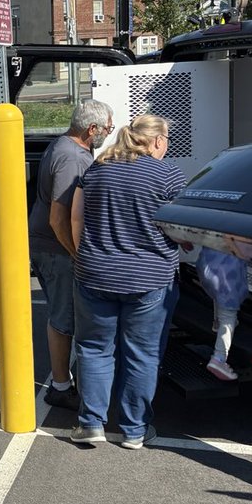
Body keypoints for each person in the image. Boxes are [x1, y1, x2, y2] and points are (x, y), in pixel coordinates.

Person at [70, 114, 187, 450]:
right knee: (143, 354)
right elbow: (182, 228)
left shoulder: (97, 169)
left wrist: (86, 257)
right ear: (157, 141)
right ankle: (134, 430)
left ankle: (91, 423)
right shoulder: (168, 175)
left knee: (93, 349)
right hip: (150, 279)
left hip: (94, 274)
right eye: (166, 140)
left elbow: (76, 217)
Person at [27, 99, 114, 409]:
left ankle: (62, 381)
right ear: (92, 129)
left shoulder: (61, 145)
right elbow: (58, 216)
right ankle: (61, 386)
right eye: (108, 128)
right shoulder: (72, 159)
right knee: (63, 317)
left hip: (47, 245)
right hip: (55, 248)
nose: (109, 133)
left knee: (61, 314)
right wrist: (77, 253)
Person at [195, 246, 249, 382]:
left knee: (218, 296)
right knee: (229, 316)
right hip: (228, 274)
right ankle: (219, 358)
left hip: (206, 266)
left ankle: (216, 323)